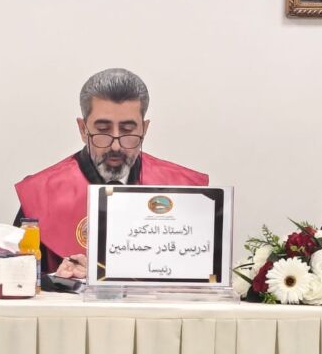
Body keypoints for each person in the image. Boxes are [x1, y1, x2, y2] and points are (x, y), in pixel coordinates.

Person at [14, 68, 208, 277]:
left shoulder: (186, 191)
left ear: (144, 129)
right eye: (103, 129)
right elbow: (16, 279)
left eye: (127, 130)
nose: (115, 145)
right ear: (83, 129)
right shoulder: (42, 195)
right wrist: (57, 281)